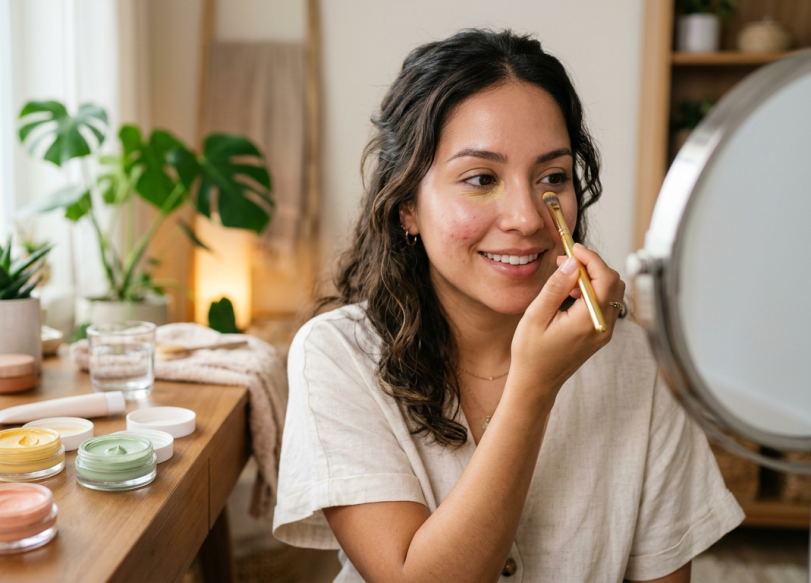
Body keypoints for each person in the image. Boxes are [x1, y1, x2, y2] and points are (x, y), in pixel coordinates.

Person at [272, 29, 744, 582]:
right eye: (480, 178)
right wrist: (534, 388)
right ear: (407, 208)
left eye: (552, 177)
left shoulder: (639, 364)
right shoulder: (337, 354)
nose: (526, 216)